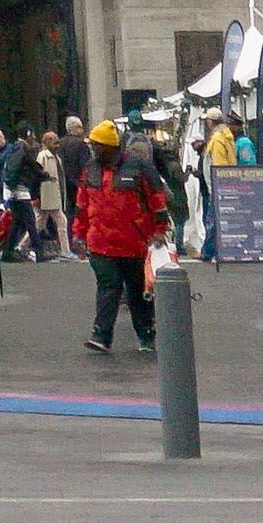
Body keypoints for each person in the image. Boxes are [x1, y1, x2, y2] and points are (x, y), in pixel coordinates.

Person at [74, 121, 162, 354]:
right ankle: (101, 335)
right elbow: (82, 205)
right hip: (100, 243)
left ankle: (146, 334)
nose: (92, 149)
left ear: (108, 146)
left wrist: (160, 230)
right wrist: (79, 234)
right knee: (108, 287)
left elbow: (156, 198)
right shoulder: (90, 169)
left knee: (137, 291)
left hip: (134, 244)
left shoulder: (139, 167)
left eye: (96, 145)